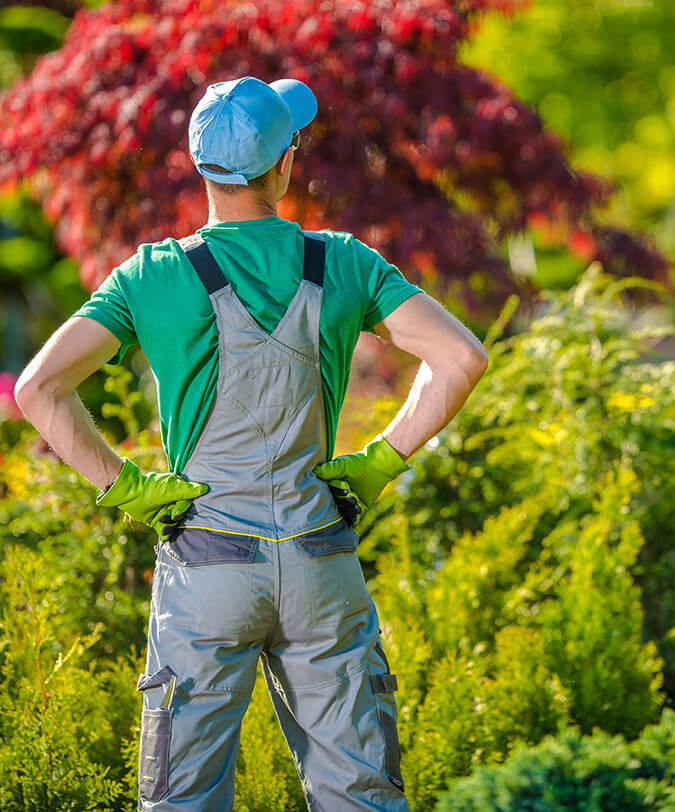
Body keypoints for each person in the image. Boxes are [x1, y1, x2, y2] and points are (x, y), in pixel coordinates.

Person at [14, 76, 488, 811]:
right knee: (361, 795)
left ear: (201, 165)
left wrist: (129, 486)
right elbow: (461, 358)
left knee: (182, 798)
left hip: (207, 571)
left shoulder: (154, 276)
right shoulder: (344, 264)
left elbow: (37, 388)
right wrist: (381, 459)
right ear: (284, 165)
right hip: (320, 562)